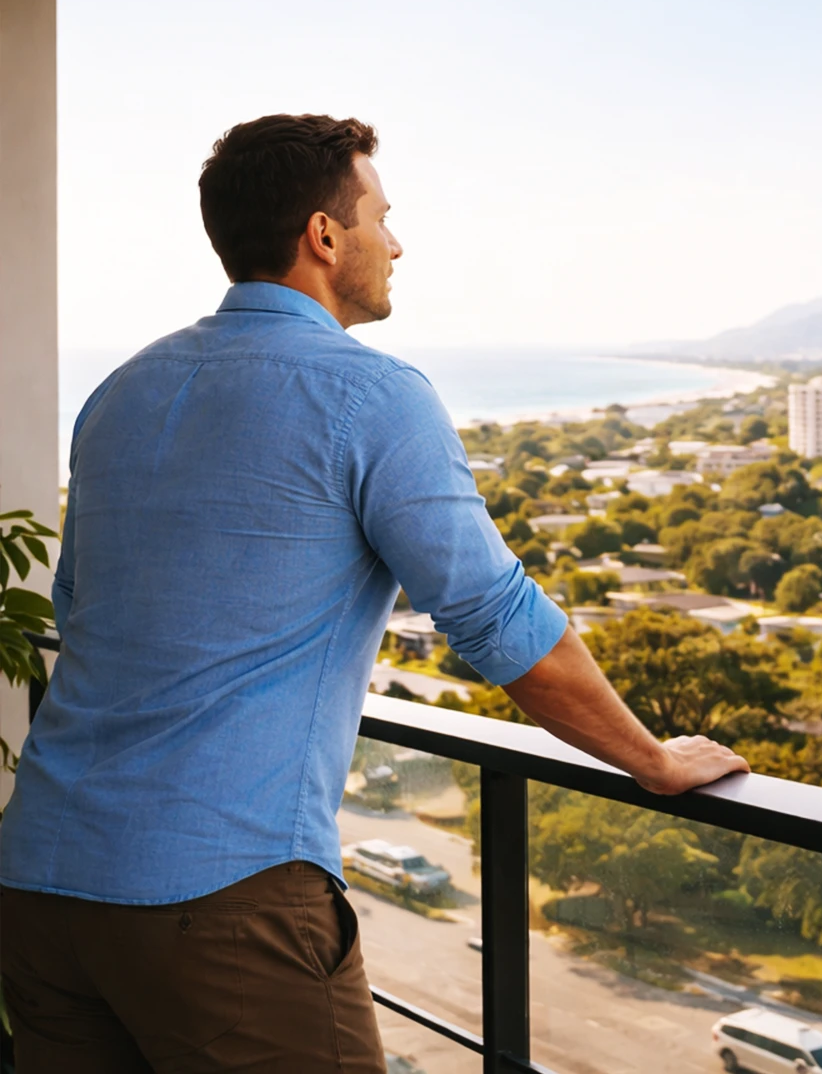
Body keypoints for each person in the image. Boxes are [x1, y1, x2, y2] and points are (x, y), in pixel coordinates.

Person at [0, 114, 748, 1072]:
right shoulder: (372, 395)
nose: (396, 242)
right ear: (323, 236)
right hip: (222, 899)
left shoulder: (121, 393)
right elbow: (495, 615)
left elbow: (81, 609)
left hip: (42, 878)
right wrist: (652, 759)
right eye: (382, 218)